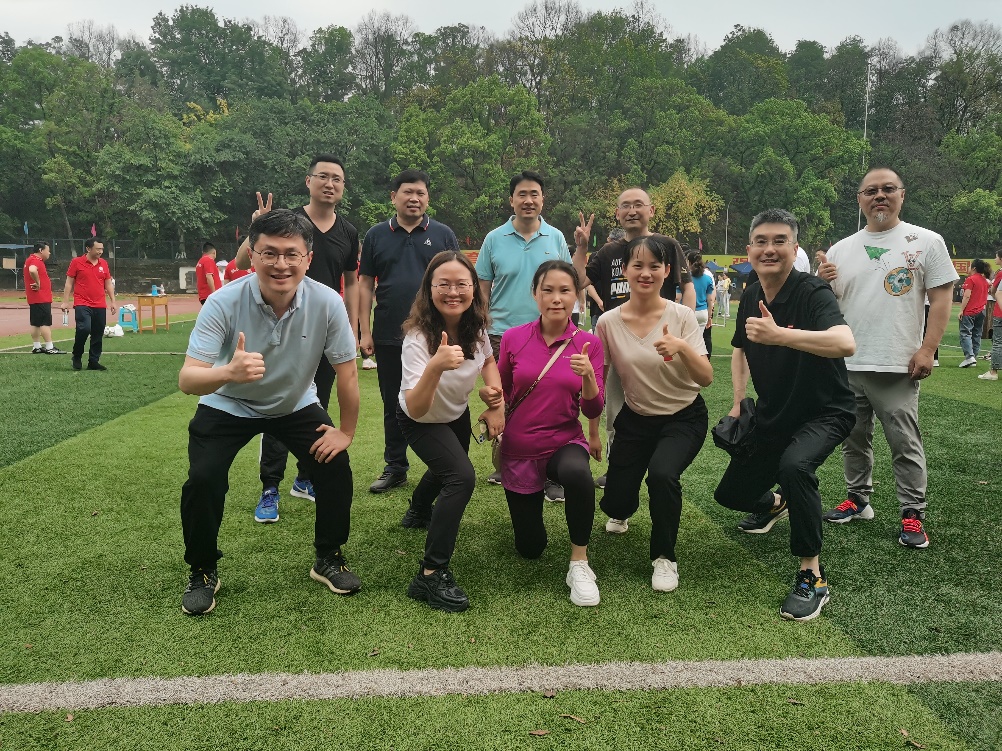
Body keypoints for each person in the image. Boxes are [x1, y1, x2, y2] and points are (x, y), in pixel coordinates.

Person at [178, 209, 361, 615]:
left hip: (293, 403)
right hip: (228, 402)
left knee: (334, 464)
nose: (281, 264)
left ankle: (328, 556)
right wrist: (228, 372)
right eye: (270, 253)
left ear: (308, 259)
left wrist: (345, 432)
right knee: (203, 479)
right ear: (253, 255)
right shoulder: (224, 302)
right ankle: (203, 569)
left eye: (292, 254)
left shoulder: (327, 302)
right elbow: (188, 379)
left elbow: (347, 373)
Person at [714, 209, 856, 621]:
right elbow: (739, 348)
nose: (769, 249)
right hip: (774, 413)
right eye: (761, 241)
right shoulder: (750, 293)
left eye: (780, 241)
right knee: (731, 496)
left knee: (796, 466)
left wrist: (782, 336)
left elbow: (845, 342)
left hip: (825, 411)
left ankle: (812, 575)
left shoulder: (812, 291)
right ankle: (777, 504)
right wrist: (738, 400)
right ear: (749, 250)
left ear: (795, 250)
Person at [817, 167, 959, 548]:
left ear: (902, 195)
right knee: (853, 438)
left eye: (887, 189)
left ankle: (912, 512)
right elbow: (830, 305)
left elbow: (941, 298)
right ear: (860, 199)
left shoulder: (926, 241)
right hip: (847, 363)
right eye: (871, 191)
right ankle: (858, 499)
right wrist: (822, 281)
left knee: (903, 441)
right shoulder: (840, 249)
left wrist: (927, 348)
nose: (879, 196)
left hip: (896, 362)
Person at [236, 156, 361, 522]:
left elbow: (351, 282)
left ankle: (306, 478)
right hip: (282, 330)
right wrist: (256, 227)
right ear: (309, 181)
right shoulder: (286, 221)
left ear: (343, 187)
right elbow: (243, 262)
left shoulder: (348, 231)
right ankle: (270, 487)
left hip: (324, 331)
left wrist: (352, 327)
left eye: (337, 178)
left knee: (316, 406)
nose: (330, 183)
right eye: (323, 176)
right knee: (280, 406)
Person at [595, 235, 712, 592]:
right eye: (638, 265)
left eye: (654, 266)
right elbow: (599, 378)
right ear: (625, 271)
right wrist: (593, 428)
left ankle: (664, 557)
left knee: (662, 475)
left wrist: (681, 348)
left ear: (667, 271)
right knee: (616, 500)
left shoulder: (682, 317)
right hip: (636, 417)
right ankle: (622, 510)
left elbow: (706, 378)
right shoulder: (608, 322)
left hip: (683, 416)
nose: (646, 273)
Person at [396, 251, 503, 612]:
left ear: (474, 288)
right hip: (419, 419)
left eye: (462, 284)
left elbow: (489, 360)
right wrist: (436, 367)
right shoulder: (417, 338)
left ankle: (418, 509)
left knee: (447, 468)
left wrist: (495, 399)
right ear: (429, 289)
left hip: (455, 413)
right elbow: (416, 407)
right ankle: (430, 574)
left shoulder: (476, 328)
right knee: (460, 476)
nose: (453, 292)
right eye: (443, 284)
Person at [572, 189, 696, 497]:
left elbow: (687, 286)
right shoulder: (607, 252)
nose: (632, 210)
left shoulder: (667, 245)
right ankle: (620, 470)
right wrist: (582, 248)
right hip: (619, 345)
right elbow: (578, 282)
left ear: (651, 210)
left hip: (660, 345)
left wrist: (684, 330)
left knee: (662, 409)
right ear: (617, 214)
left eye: (638, 205)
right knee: (616, 414)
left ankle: (658, 462)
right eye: (625, 206)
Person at [498, 260, 605, 606]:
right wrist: (490, 401)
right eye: (548, 290)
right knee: (531, 548)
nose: (556, 298)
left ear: (576, 296)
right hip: (519, 447)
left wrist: (588, 377)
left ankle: (579, 562)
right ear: (535, 294)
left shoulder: (589, 344)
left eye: (565, 290)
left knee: (577, 473)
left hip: (564, 441)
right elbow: (501, 389)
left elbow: (593, 409)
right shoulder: (514, 338)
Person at [360, 169, 460, 494]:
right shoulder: (376, 235)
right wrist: (364, 331)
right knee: (393, 403)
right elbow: (365, 285)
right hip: (389, 332)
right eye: (407, 192)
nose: (414, 198)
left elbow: (457, 280)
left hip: (435, 335)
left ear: (428, 198)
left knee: (440, 399)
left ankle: (444, 467)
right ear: (394, 197)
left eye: (420, 193)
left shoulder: (443, 234)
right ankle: (395, 467)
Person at [475, 171, 571, 498]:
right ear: (511, 200)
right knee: (505, 402)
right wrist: (481, 326)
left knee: (551, 403)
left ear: (543, 199)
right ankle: (507, 464)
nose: (528, 200)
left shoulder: (555, 238)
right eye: (522, 194)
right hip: (502, 334)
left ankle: (552, 473)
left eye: (534, 194)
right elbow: (483, 288)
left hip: (548, 334)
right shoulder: (494, 239)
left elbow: (568, 283)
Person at [61, 238, 117, 371]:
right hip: (82, 302)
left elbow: (108, 283)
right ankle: (77, 355)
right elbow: (69, 282)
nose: (100, 251)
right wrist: (65, 301)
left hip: (100, 304)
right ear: (88, 249)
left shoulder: (104, 263)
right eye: (98, 249)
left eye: (102, 249)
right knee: (84, 328)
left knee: (98, 332)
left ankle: (93, 361)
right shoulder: (76, 262)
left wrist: (113, 301)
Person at [24, 242, 66, 354]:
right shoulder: (36, 260)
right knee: (44, 322)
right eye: (48, 250)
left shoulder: (30, 259)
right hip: (41, 297)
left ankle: (36, 346)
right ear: (41, 250)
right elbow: (32, 270)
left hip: (34, 298)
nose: (49, 253)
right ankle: (49, 347)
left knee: (35, 323)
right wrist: (38, 283)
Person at [958, 259, 991, 368]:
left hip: (970, 311)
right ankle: (974, 357)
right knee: (977, 334)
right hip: (981, 310)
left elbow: (967, 295)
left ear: (974, 268)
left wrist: (961, 310)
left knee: (965, 333)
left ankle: (969, 357)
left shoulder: (971, 279)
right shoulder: (985, 281)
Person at [688, 252, 716, 357]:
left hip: (689, 312)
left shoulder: (686, 277)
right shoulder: (708, 277)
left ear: (689, 262)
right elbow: (710, 299)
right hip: (703, 313)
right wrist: (709, 316)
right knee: (698, 342)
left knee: (687, 343)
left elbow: (678, 297)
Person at [980, 250, 1002, 381]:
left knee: (998, 341)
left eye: (996, 256)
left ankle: (993, 372)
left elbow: (995, 291)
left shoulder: (1000, 273)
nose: (995, 259)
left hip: (999, 312)